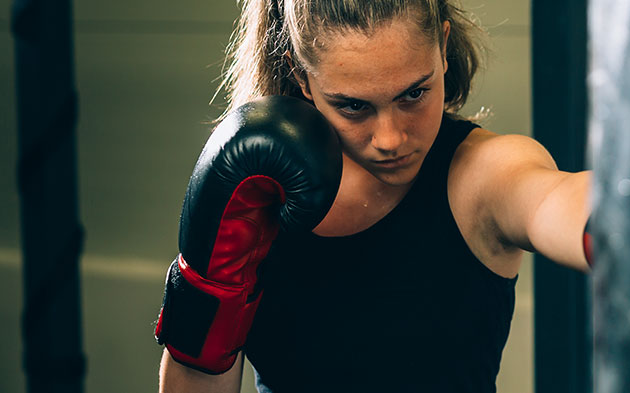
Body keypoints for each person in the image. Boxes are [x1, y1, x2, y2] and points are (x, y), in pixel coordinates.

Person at [154, 0, 591, 391]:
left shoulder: (482, 174)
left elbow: (555, 200)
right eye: (354, 106)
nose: (390, 138)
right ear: (302, 77)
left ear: (442, 46)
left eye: (414, 94)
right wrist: (212, 284)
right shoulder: (258, 192)